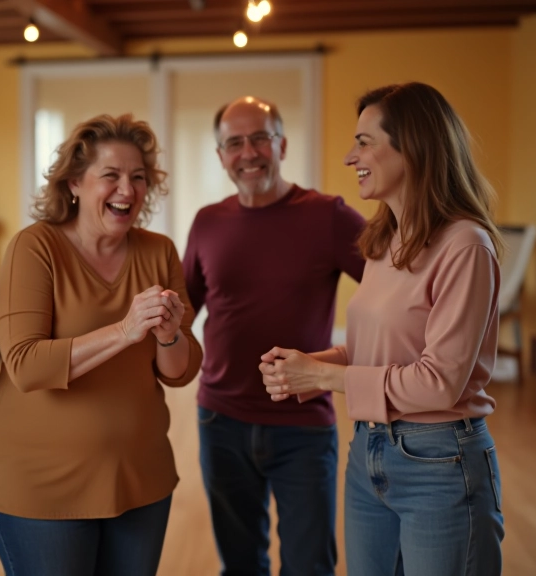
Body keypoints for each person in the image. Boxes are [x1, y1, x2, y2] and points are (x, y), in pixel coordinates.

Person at [259, 82, 506, 575]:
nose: (351, 157)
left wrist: (325, 380)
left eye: (365, 142)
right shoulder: (384, 240)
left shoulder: (465, 246)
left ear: (413, 147)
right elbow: (370, 352)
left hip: (440, 462)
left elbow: (440, 381)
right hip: (368, 452)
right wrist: (305, 367)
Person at [0, 113, 203, 576]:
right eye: (111, 176)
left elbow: (180, 371)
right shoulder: (34, 248)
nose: (128, 189)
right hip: (43, 489)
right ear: (74, 182)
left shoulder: (158, 252)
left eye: (138, 178)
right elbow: (26, 366)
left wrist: (169, 334)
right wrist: (125, 330)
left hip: (141, 479)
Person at [182, 96, 366, 575]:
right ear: (221, 155)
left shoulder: (328, 216)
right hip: (220, 421)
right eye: (235, 143)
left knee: (310, 566)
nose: (249, 153)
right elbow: (181, 313)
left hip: (303, 426)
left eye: (260, 137)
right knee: (240, 565)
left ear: (282, 144)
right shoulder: (207, 222)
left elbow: (397, 291)